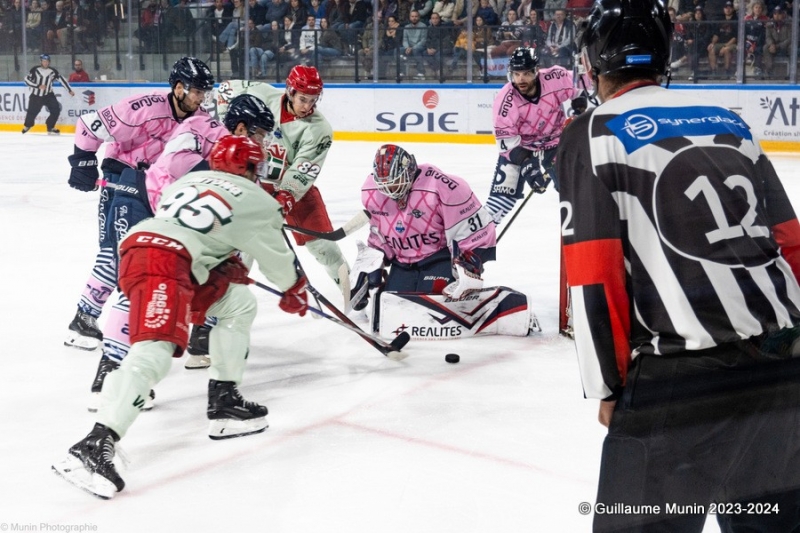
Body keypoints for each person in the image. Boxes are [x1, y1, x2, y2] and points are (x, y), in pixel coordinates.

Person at [557, 1, 800, 531]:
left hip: (683, 379)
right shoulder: (728, 121)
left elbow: (594, 272)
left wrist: (607, 387)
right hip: (782, 365)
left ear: (596, 63)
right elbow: (791, 242)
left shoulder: (590, 133)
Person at [52, 135, 309, 500]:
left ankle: (224, 399)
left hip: (150, 251)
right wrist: (294, 288)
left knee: (237, 303)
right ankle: (95, 443)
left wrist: (219, 261)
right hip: (165, 265)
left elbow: (191, 227)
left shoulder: (188, 180)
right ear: (250, 168)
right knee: (153, 354)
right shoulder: (257, 199)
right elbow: (276, 259)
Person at [89, 94, 275, 410]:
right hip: (144, 204)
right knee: (137, 290)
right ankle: (110, 371)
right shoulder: (201, 125)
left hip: (175, 223)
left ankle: (200, 336)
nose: (263, 141)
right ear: (241, 127)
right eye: (259, 133)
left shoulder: (240, 156)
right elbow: (176, 160)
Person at [64, 57, 214, 351]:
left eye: (204, 92)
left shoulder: (200, 118)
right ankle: (86, 318)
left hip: (157, 189)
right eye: (197, 91)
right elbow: (88, 125)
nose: (201, 98)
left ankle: (98, 318)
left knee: (146, 253)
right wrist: (82, 162)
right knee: (116, 251)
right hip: (121, 176)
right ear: (179, 87)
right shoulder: (142, 107)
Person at [215, 66, 350, 306]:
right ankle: (224, 304)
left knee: (323, 246)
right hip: (254, 183)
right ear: (290, 91)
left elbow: (303, 169)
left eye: (312, 100)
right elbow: (225, 89)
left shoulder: (320, 130)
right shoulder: (263, 95)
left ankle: (353, 292)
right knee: (244, 248)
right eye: (302, 99)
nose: (307, 106)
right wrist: (228, 125)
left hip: (294, 189)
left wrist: (286, 196)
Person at [351, 144, 496, 314]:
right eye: (385, 185)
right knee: (393, 309)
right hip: (402, 262)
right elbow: (379, 235)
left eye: (395, 182)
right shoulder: (372, 191)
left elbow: (473, 230)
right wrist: (371, 265)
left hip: (438, 257)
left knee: (434, 307)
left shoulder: (444, 187)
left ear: (409, 170)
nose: (390, 190)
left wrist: (470, 263)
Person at [484, 46, 587, 225]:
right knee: (499, 203)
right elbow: (507, 144)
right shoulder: (505, 101)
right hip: (520, 147)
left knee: (575, 191)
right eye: (516, 74)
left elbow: (579, 89)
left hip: (556, 143)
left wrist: (578, 113)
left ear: (536, 71)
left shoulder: (555, 77)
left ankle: (585, 232)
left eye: (525, 73)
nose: (520, 79)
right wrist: (527, 166)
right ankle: (473, 242)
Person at [22, 54, 74, 135]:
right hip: (36, 96)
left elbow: (62, 80)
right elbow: (26, 80)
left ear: (49, 62)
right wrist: (38, 86)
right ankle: (28, 125)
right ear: (41, 62)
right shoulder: (35, 69)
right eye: (44, 61)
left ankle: (50, 126)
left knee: (56, 110)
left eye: (47, 61)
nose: (45, 63)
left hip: (48, 95)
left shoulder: (53, 71)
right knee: (32, 112)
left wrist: (69, 90)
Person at [762, 5, 791, 79]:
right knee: (766, 47)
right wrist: (771, 44)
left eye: (779, 13)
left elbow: (791, 38)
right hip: (774, 46)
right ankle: (769, 71)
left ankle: (791, 72)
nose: (777, 16)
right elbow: (768, 37)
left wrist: (777, 46)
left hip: (786, 46)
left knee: (792, 47)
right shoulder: (769, 24)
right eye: (775, 14)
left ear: (783, 14)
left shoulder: (790, 23)